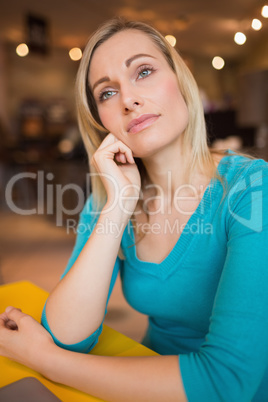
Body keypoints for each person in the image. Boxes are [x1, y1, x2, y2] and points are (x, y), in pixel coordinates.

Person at [1, 18, 268, 402]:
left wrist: (47, 360)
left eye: (143, 71)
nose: (128, 99)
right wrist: (119, 205)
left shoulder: (251, 187)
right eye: (107, 93)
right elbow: (66, 334)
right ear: (100, 120)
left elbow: (226, 382)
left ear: (181, 79)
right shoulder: (113, 196)